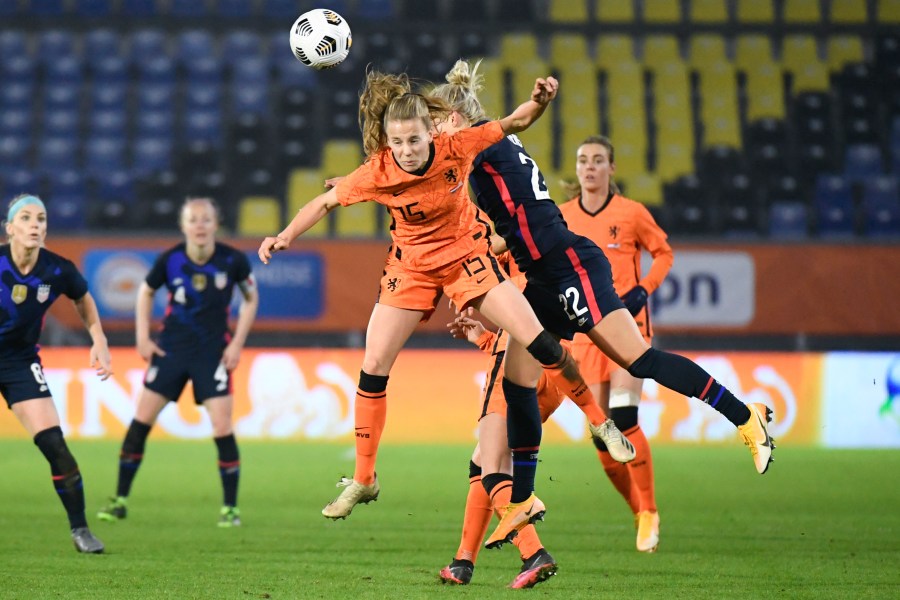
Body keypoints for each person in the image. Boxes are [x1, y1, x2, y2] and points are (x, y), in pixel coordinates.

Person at [258, 69, 633, 530]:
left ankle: (600, 422)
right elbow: (324, 203)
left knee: (536, 336)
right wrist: (285, 235)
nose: (407, 150)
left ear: (430, 133)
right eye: (398, 142)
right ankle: (364, 478)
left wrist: (541, 101)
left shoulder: (457, 146)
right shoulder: (378, 170)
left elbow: (514, 122)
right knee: (373, 364)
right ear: (388, 142)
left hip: (466, 259)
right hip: (411, 268)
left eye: (415, 140)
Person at [431, 58, 775, 542]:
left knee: (639, 359)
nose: (432, 134)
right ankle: (523, 499)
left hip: (568, 266)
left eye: (435, 123)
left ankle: (745, 416)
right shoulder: (487, 148)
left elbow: (512, 129)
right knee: (518, 379)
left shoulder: (482, 142)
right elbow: (515, 224)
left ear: (456, 119)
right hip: (543, 272)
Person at [98, 197, 258, 527]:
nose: (200, 225)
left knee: (222, 427)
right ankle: (119, 500)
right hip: (171, 350)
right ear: (183, 226)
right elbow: (145, 291)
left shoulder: (233, 260)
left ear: (216, 224)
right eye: (193, 219)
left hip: (213, 352)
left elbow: (251, 297)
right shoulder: (170, 260)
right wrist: (142, 337)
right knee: (141, 420)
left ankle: (230, 509)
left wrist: (237, 343)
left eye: (206, 219)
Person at [558, 135, 673, 553]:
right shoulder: (563, 217)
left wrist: (644, 289)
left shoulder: (632, 213)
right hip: (587, 334)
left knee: (624, 417)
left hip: (628, 327)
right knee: (601, 435)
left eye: (597, 160)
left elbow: (664, 253)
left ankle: (650, 510)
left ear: (611, 168)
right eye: (582, 160)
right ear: (576, 168)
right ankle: (637, 510)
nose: (589, 167)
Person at [439, 257, 560, 589]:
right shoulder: (560, 256)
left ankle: (534, 553)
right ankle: (462, 562)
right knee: (481, 462)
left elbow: (481, 253)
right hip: (555, 370)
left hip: (513, 368)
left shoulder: (509, 252)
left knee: (494, 471)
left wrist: (459, 282)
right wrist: (485, 339)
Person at [0, 194, 111, 553]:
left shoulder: (58, 270)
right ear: (10, 228)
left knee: (55, 446)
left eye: (41, 218)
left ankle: (81, 530)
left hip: (18, 361)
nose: (34, 224)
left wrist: (98, 338)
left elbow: (83, 298)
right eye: (26, 218)